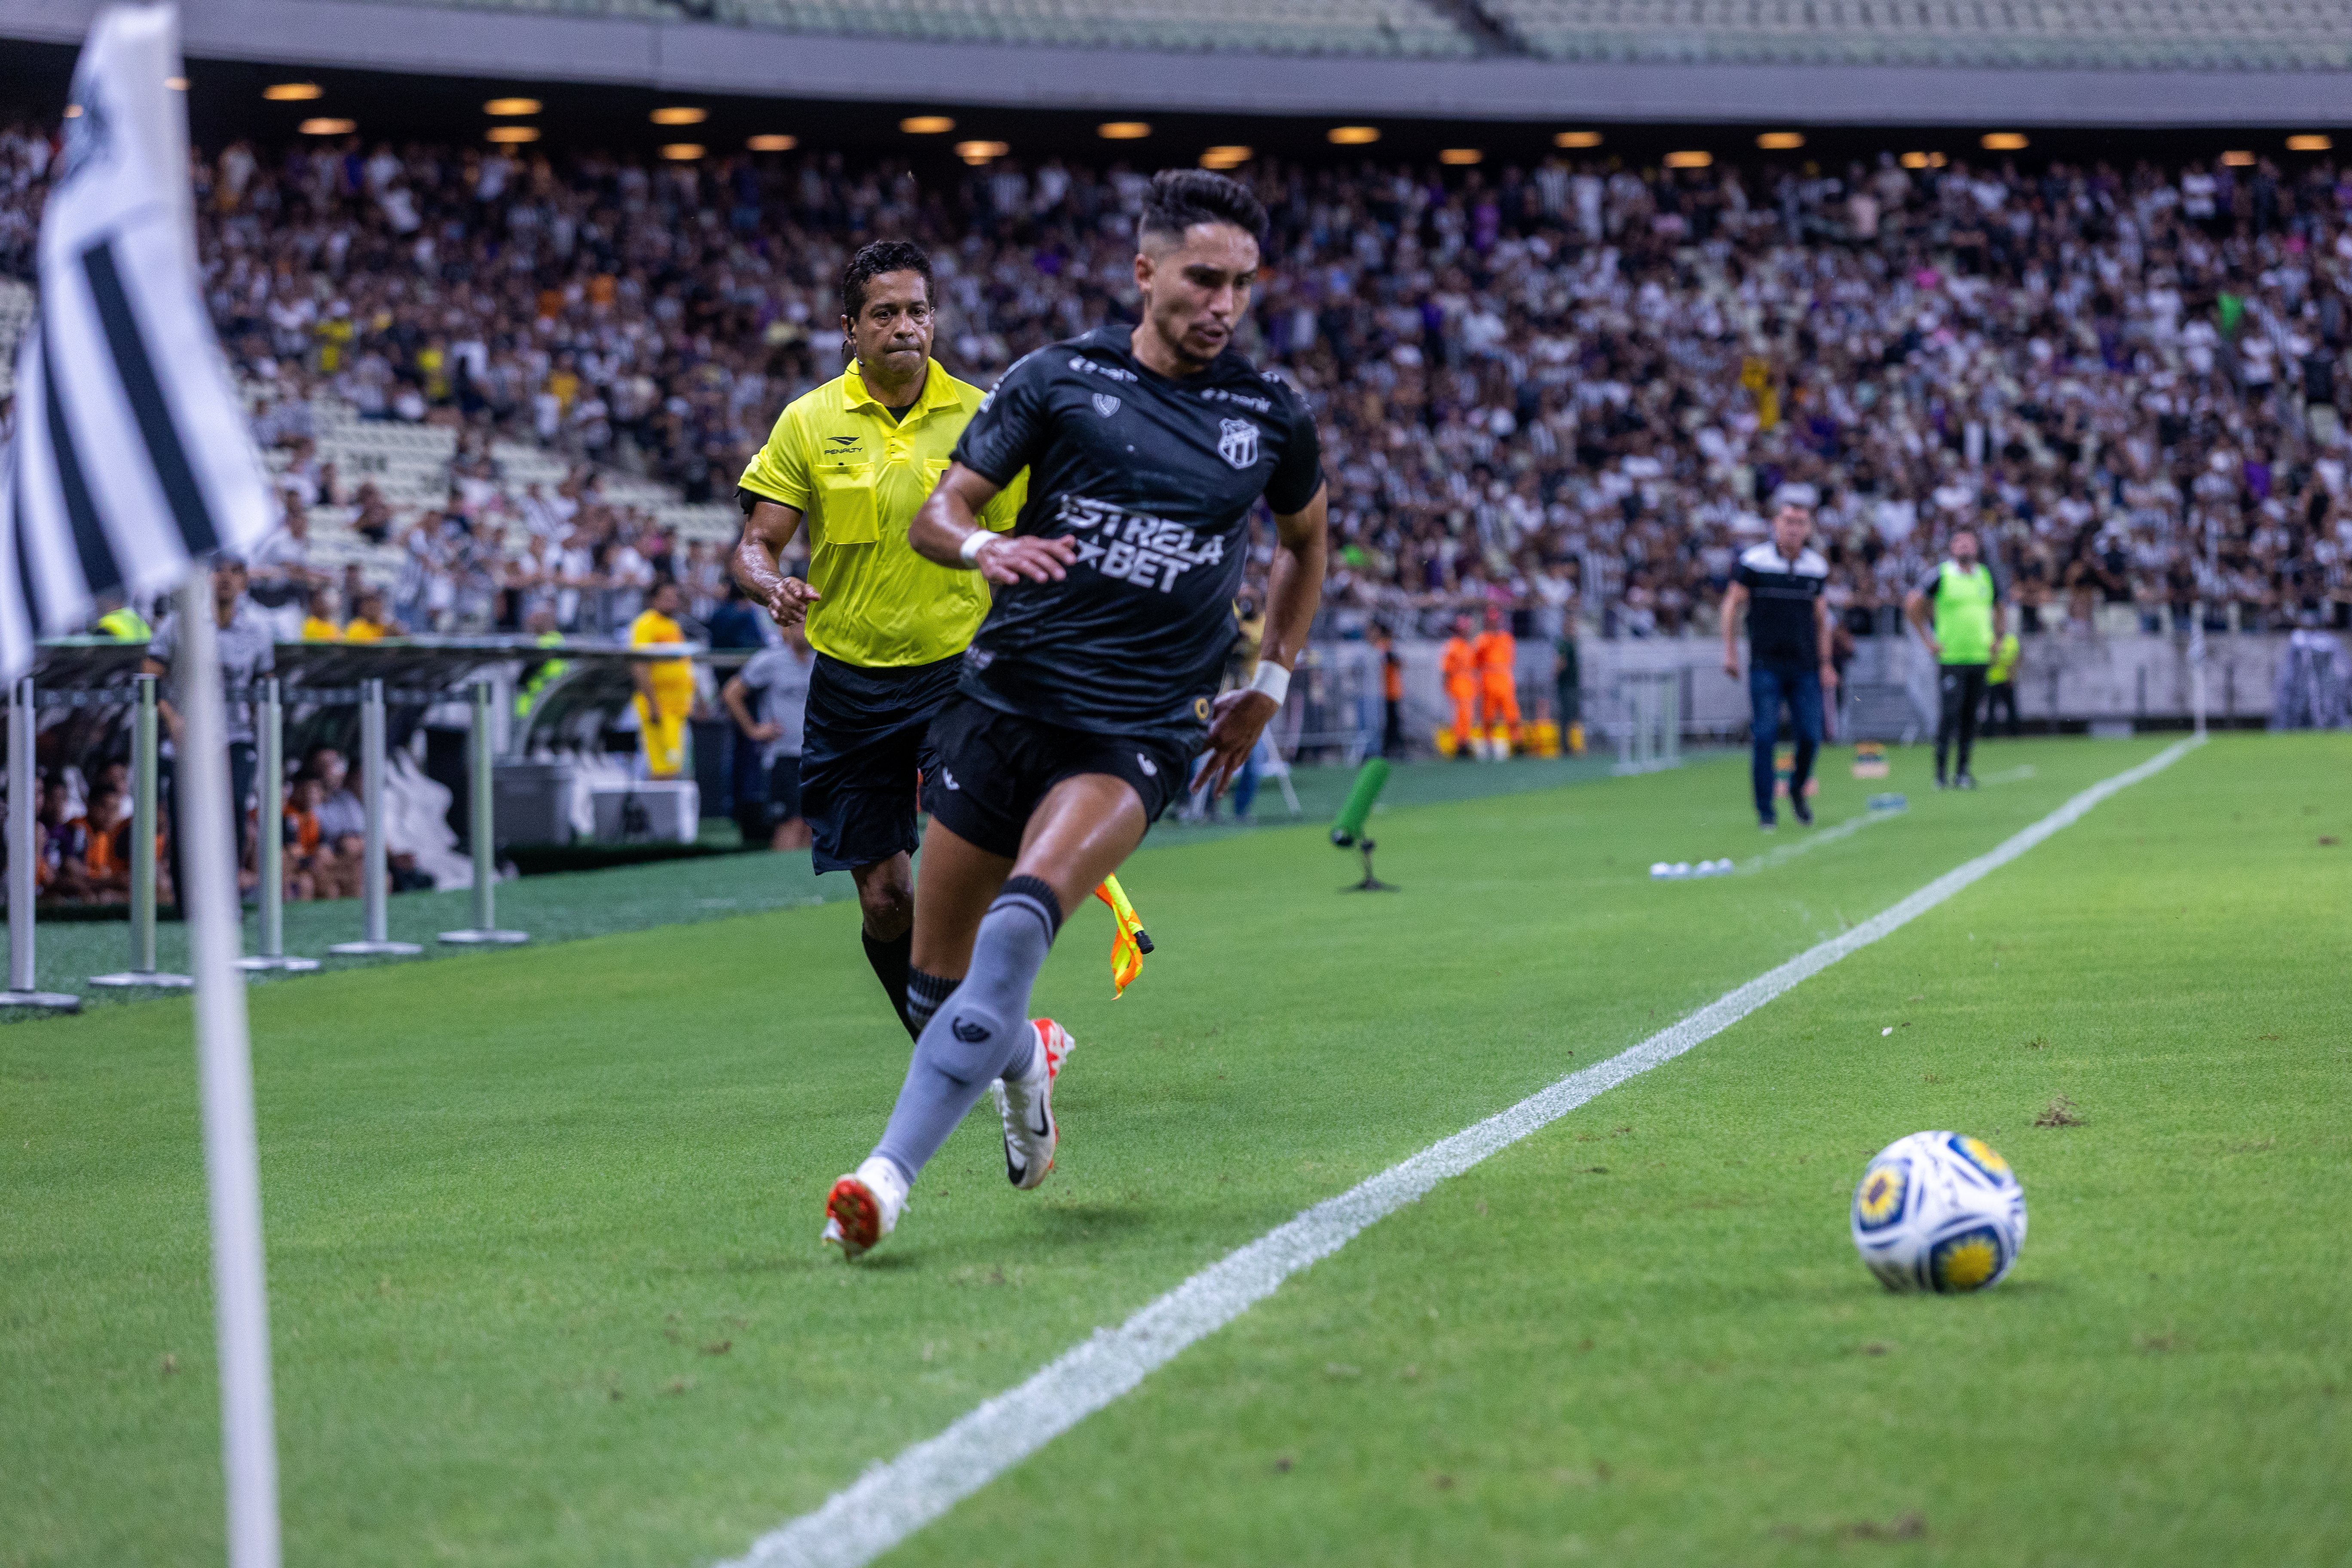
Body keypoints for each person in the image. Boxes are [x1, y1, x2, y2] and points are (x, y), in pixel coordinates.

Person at [820, 168, 1328, 1259]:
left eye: (1241, 284)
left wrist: (1268, 684)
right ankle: (1023, 1065)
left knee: (1017, 929)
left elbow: (1303, 543)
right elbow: (939, 516)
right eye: (1202, 279)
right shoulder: (1057, 382)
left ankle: (881, 1181)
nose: (1223, 306)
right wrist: (985, 545)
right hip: (999, 708)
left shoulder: (1266, 416)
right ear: (1145, 273)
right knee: (933, 990)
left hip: (1133, 731)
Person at [731, 238, 1026, 1036]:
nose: (905, 326)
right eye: (885, 313)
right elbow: (756, 542)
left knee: (968, 871)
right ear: (849, 328)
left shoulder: (983, 416)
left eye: (918, 311)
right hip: (851, 685)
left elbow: (1020, 546)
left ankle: (984, 1034)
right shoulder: (809, 419)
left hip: (958, 676)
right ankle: (939, 1042)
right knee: (886, 900)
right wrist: (772, 582)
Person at [144, 557, 274, 912]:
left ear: (246, 581)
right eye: (219, 571)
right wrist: (172, 719)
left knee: (233, 807)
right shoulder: (178, 625)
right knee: (183, 816)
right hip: (187, 738)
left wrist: (263, 724)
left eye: (235, 572)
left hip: (235, 735)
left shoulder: (259, 632)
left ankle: (227, 899)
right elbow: (148, 679)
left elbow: (267, 684)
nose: (226, 579)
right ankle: (186, 905)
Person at [1721, 503, 1836, 830]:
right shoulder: (1754, 562)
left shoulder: (1815, 567)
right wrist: (1729, 651)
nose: (1794, 529)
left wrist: (1826, 662)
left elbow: (1821, 619)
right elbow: (1732, 606)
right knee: (1766, 735)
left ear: (1809, 529)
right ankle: (1766, 811)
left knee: (1812, 736)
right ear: (1775, 525)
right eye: (1788, 522)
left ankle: (1798, 790)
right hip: (1766, 664)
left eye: (1801, 523)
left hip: (1805, 667)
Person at [1905, 527, 2006, 789]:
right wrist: (1928, 639)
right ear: (1952, 548)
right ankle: (1940, 773)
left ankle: (1963, 772)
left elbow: (1999, 607)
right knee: (1950, 714)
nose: (1965, 547)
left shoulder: (1985, 575)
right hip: (1951, 657)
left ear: (1977, 548)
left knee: (1971, 716)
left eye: (1969, 542)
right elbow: (1913, 604)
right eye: (1959, 543)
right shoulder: (1941, 575)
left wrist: (1998, 638)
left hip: (1979, 655)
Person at [722, 621, 815, 850]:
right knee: (789, 823)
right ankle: (780, 879)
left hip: (814, 754)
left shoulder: (819, 661)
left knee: (810, 824)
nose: (804, 631)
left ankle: (803, 882)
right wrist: (754, 730)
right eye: (799, 625)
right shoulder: (772, 660)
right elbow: (732, 693)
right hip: (783, 755)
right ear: (788, 629)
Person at [628, 578, 695, 780]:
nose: (672, 603)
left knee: (673, 768)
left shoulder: (674, 626)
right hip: (659, 707)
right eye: (666, 598)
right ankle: (657, 811)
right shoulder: (645, 624)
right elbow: (639, 665)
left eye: (674, 598)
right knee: (662, 769)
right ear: (653, 599)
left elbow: (684, 666)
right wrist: (652, 703)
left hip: (678, 708)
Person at [1473, 603, 1519, 759]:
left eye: (1496, 620)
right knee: (1488, 715)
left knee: (1511, 713)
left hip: (1504, 680)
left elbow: (1511, 660)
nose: (1494, 623)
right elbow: (1477, 662)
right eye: (1491, 621)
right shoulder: (1482, 639)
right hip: (1488, 681)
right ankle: (1488, 744)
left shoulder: (1507, 638)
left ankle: (1517, 742)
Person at [1440, 612, 1478, 758]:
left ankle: (1464, 742)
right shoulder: (1453, 645)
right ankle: (1460, 743)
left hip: (1468, 683)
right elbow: (1446, 668)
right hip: (1458, 682)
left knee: (1467, 714)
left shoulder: (1468, 645)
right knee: (1461, 714)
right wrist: (1447, 685)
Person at [1369, 622, 1404, 759]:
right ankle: (1387, 749)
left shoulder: (1388, 647)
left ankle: (1392, 748)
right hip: (1385, 692)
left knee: (1394, 721)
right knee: (1388, 722)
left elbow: (1400, 663)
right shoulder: (1384, 647)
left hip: (1392, 691)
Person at [1984, 627, 2021, 737]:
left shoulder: (2011, 639)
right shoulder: (1989, 638)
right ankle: (1989, 734)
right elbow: (1988, 660)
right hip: (1993, 680)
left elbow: (2017, 658)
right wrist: (1994, 653)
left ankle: (2015, 733)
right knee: (1991, 709)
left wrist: (2012, 675)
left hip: (2007, 679)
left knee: (2012, 709)